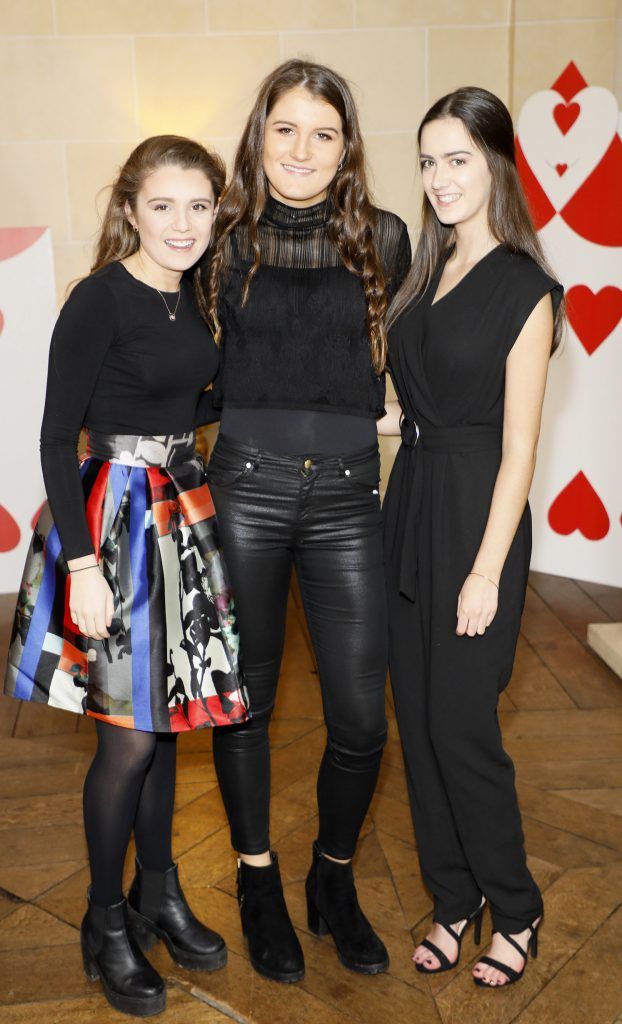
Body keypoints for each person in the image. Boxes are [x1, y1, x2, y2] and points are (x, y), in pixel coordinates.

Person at [4, 136, 249, 1017]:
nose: (182, 225)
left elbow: (202, 402)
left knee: (168, 722)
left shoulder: (201, 299)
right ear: (131, 209)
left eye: (198, 207)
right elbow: (49, 436)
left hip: (181, 513)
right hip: (110, 522)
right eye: (163, 206)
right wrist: (80, 565)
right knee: (129, 738)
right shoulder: (98, 298)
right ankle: (104, 922)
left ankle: (161, 892)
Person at [195, 59, 411, 983]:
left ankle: (331, 877)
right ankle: (255, 880)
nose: (303, 150)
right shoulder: (223, 241)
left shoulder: (388, 239)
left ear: (347, 147)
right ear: (259, 135)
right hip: (243, 486)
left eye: (324, 134)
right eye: (286, 129)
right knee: (246, 703)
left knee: (363, 719)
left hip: (348, 496)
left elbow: (414, 347)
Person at [380, 86, 564, 988]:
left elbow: (522, 448)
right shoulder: (426, 268)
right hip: (409, 506)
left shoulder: (526, 290)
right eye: (428, 161)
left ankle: (517, 909)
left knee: (461, 728)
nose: (441, 178)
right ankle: (453, 900)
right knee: (414, 722)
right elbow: (407, 406)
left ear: (495, 162)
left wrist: (487, 571)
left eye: (458, 158)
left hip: (477, 519)